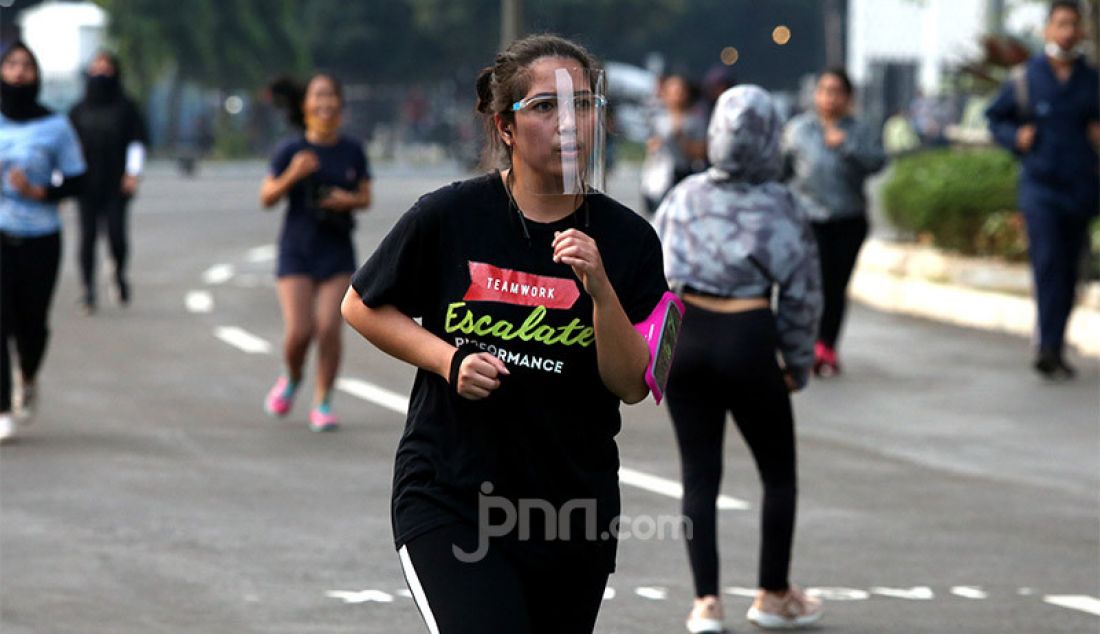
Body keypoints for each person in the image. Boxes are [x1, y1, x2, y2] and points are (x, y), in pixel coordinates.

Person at [341, 34, 669, 633]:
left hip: (570, 510)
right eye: (545, 106)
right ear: (506, 127)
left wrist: (599, 288)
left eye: (584, 105)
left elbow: (630, 383)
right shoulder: (449, 217)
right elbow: (362, 305)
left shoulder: (628, 241)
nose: (569, 122)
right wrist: (450, 360)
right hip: (451, 495)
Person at [655, 85, 824, 632]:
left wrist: (656, 359)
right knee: (778, 474)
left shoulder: (683, 195)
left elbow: (653, 277)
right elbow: (801, 294)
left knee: (698, 475)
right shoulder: (782, 203)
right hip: (749, 335)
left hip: (688, 334)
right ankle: (773, 595)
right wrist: (797, 363)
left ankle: (706, 603)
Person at [985, 0, 1099, 380]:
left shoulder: (1091, 80)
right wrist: (1015, 136)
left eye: (1073, 24)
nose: (1067, 31)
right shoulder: (1026, 78)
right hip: (1041, 189)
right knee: (1048, 264)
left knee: (1070, 269)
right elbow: (995, 118)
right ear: (1047, 30)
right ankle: (1047, 344)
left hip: (1081, 188)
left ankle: (1056, 342)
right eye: (1061, 23)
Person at [259, 73, 372, 431]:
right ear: (306, 104)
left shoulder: (352, 149)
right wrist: (293, 174)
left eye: (331, 96)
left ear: (339, 103)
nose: (324, 103)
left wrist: (346, 200)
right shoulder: (289, 150)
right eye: (317, 96)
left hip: (336, 250)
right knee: (299, 332)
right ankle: (291, 377)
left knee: (328, 329)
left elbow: (366, 197)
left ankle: (322, 402)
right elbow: (267, 198)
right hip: (297, 250)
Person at [0, 42, 86, 442]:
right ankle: (2, 408)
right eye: (11, 64)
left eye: (26, 66)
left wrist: (39, 192)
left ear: (36, 76)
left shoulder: (56, 127)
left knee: (31, 324)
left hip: (40, 236)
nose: (18, 72)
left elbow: (77, 178)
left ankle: (28, 375)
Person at [782, 68, 886, 376]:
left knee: (836, 285)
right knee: (812, 285)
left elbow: (878, 162)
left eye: (837, 91)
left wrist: (846, 146)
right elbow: (779, 171)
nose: (830, 97)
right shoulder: (798, 130)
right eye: (824, 90)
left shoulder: (861, 130)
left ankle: (827, 345)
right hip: (808, 220)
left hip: (848, 219)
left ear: (848, 97)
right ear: (815, 95)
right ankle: (806, 343)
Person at [69, 50, 149, 314]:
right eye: (97, 67)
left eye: (106, 67)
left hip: (116, 182)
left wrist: (132, 173)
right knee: (87, 237)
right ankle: (88, 291)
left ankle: (119, 273)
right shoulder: (78, 110)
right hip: (85, 183)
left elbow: (137, 142)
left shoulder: (126, 107)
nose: (101, 72)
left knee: (116, 235)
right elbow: (67, 148)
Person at [640, 72, 708, 214]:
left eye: (681, 90)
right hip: (660, 175)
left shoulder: (694, 120)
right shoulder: (657, 118)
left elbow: (701, 152)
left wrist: (681, 138)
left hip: (685, 173)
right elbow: (650, 144)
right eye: (673, 90)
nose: (677, 94)